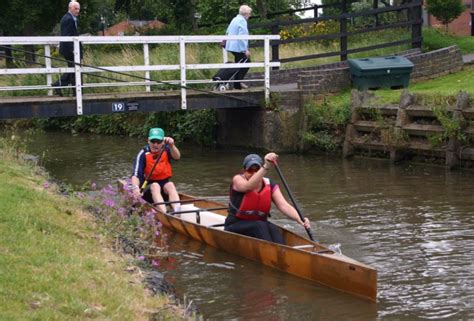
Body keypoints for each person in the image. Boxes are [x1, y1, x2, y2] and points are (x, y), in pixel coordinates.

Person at [225, 153, 311, 244]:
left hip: (258, 224)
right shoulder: (238, 180)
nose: (254, 173)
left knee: (273, 229)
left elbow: (284, 205)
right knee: (259, 225)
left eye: (257, 170)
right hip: (235, 224)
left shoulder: (269, 184)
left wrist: (300, 219)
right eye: (250, 170)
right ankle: (271, 253)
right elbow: (248, 186)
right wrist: (266, 165)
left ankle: (284, 252)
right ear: (244, 170)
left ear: (260, 170)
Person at [131, 128, 181, 213]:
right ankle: (165, 214)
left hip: (164, 188)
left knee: (170, 184)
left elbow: (177, 157)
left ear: (163, 142)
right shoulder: (143, 154)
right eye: (153, 141)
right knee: (155, 186)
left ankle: (178, 211)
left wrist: (172, 145)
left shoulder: (167, 149)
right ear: (148, 141)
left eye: (158, 142)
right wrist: (135, 188)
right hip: (148, 190)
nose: (155, 144)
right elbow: (135, 175)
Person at [52, 1, 82, 96]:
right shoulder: (69, 19)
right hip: (70, 49)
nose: (78, 11)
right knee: (75, 68)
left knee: (74, 69)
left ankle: (73, 90)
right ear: (70, 8)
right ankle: (60, 85)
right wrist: (73, 49)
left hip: (69, 48)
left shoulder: (69, 18)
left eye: (78, 9)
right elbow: (67, 36)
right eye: (76, 9)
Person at [224, 5, 252, 90]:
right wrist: (245, 50)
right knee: (247, 62)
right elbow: (242, 36)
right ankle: (238, 83)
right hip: (237, 47)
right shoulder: (242, 21)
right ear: (246, 14)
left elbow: (227, 31)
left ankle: (238, 83)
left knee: (239, 63)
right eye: (250, 14)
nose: (250, 15)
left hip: (231, 46)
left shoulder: (234, 19)